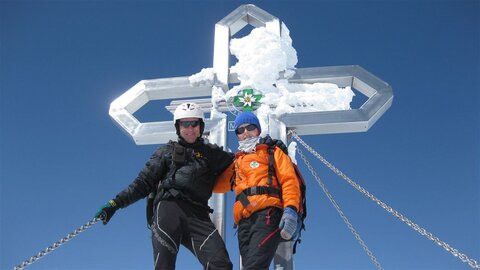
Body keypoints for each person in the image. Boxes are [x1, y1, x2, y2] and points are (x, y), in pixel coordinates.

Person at [95, 102, 234, 270]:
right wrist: (114, 204)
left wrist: (268, 148)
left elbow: (240, 163)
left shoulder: (212, 154)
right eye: (184, 124)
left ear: (201, 126)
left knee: (220, 263)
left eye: (194, 123)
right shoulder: (166, 152)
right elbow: (142, 183)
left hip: (198, 215)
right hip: (169, 210)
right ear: (178, 127)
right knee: (164, 265)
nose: (190, 128)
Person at [214, 111, 302, 270]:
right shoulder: (236, 161)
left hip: (267, 215)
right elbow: (219, 186)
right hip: (244, 223)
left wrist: (290, 210)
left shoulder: (272, 151)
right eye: (240, 130)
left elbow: (289, 180)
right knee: (250, 265)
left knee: (254, 267)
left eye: (250, 127)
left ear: (258, 130)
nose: (245, 133)